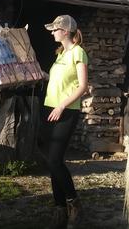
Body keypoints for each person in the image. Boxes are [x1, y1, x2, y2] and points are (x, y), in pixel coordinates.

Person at [39, 15, 89, 229]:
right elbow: (58, 81)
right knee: (51, 161)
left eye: (55, 29)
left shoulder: (78, 53)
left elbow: (82, 86)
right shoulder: (61, 54)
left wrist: (61, 106)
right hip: (51, 108)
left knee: (54, 160)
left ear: (66, 31)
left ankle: (74, 204)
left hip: (66, 111)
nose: (52, 33)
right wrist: (41, 75)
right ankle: (60, 209)